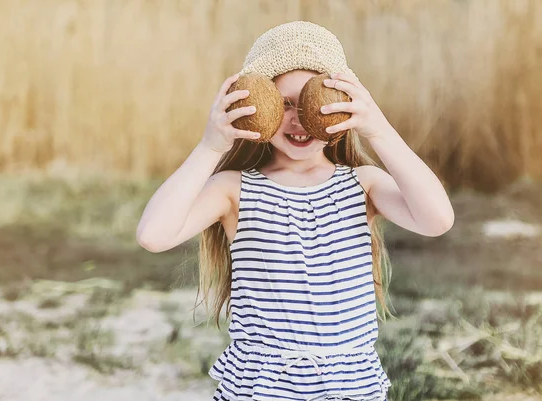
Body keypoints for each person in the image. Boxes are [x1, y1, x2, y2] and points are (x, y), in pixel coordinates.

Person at [137, 21, 454, 401]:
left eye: (311, 103)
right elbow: (153, 235)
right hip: (263, 387)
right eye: (284, 104)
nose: (299, 118)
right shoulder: (235, 189)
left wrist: (379, 131)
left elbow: (437, 220)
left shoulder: (362, 184)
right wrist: (210, 147)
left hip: (349, 387)